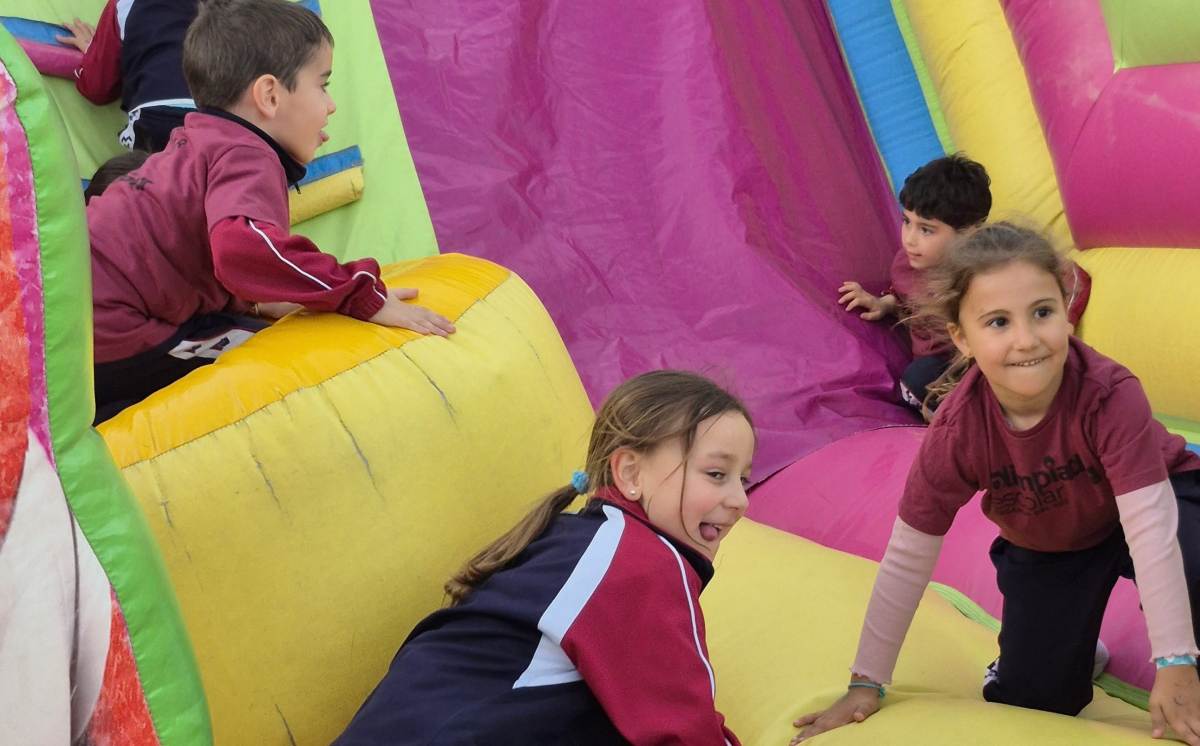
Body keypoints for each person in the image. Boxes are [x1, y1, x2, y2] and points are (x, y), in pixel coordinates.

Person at [797, 223, 1200, 744]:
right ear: (962, 337)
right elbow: (907, 557)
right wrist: (866, 681)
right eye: (997, 322)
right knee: (1035, 698)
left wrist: (1175, 660)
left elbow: (1150, 528)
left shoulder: (1108, 393)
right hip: (1052, 543)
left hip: (1161, 501)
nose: (1026, 340)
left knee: (1194, 560)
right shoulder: (960, 430)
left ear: (1066, 307)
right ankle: (1070, 650)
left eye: (1042, 313)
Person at [334, 370, 755, 745]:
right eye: (716, 474)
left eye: (744, 479)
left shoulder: (577, 540)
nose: (739, 500)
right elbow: (683, 728)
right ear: (630, 473)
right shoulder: (641, 565)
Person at [88, 0, 454, 423]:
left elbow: (191, 253)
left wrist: (260, 301)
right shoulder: (249, 153)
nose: (331, 106)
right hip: (112, 325)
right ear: (269, 95)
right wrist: (357, 294)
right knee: (280, 353)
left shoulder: (198, 138)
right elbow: (241, 246)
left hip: (72, 312)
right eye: (323, 85)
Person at [837, 154, 991, 412]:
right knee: (917, 380)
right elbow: (905, 295)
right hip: (934, 367)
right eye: (907, 222)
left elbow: (1063, 277)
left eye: (926, 230)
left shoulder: (984, 271)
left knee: (920, 378)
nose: (909, 239)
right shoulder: (907, 264)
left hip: (974, 363)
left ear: (969, 232)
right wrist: (885, 303)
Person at [57, 1, 200, 151]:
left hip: (152, 118)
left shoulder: (124, 4)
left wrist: (91, 52)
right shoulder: (224, 7)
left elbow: (98, 88)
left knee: (144, 168)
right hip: (216, 118)